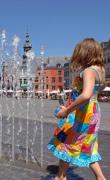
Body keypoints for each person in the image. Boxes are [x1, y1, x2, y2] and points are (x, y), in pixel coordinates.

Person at [48, 38, 106, 180]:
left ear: (85, 54)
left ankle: (61, 177)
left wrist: (66, 111)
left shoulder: (88, 71)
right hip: (93, 113)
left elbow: (85, 95)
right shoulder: (101, 70)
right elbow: (98, 89)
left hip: (83, 114)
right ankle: (100, 177)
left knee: (66, 141)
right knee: (87, 144)